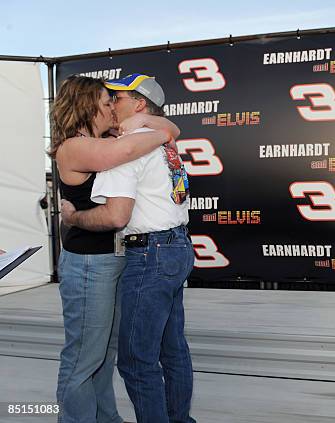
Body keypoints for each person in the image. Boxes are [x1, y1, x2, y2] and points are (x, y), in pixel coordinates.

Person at [61, 74, 195, 423]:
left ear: (138, 105)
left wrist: (73, 218)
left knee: (132, 360)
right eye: (107, 101)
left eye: (117, 99)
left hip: (146, 255)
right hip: (158, 249)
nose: (112, 106)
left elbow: (118, 213)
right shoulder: (153, 144)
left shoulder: (133, 145)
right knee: (100, 355)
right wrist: (159, 126)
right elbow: (162, 133)